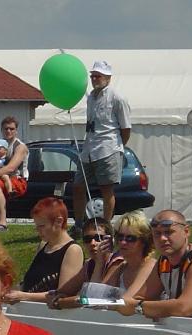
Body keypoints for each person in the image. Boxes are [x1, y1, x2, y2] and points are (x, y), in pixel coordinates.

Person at [72, 61, 131, 231]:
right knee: (78, 186)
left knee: (106, 189)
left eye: (98, 76)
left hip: (108, 148)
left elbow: (126, 128)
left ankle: (105, 226)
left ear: (108, 77)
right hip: (89, 148)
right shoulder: (90, 97)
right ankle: (78, 224)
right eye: (93, 76)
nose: (94, 79)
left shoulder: (117, 98)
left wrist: (117, 147)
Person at [4, 197, 83, 303]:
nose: (38, 231)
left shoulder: (73, 250)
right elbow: (29, 281)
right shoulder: (43, 245)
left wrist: (24, 296)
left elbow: (63, 294)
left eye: (42, 226)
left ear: (59, 222)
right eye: (36, 226)